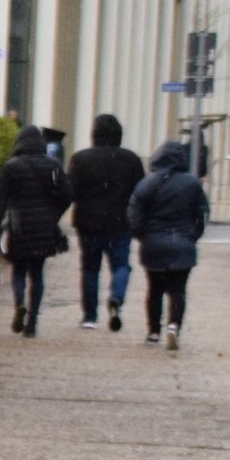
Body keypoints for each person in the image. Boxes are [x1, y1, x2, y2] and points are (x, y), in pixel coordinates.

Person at [0, 125, 72, 337]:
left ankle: (20, 303)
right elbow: (67, 194)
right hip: (45, 227)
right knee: (37, 273)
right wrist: (54, 214)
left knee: (19, 270)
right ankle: (32, 322)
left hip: (19, 225)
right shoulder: (52, 165)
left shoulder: (11, 167)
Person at [127, 139, 210, 351]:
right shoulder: (192, 184)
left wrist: (142, 235)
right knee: (178, 290)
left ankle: (153, 331)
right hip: (182, 242)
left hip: (153, 243)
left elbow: (134, 212)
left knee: (154, 289)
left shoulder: (148, 183)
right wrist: (192, 236)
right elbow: (202, 214)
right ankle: (174, 326)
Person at [67, 114, 145, 332]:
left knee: (90, 268)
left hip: (88, 222)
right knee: (121, 265)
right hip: (120, 222)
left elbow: (70, 191)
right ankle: (116, 297)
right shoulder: (131, 160)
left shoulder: (80, 159)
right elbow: (141, 193)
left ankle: (90, 316)